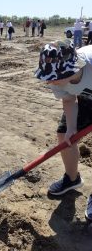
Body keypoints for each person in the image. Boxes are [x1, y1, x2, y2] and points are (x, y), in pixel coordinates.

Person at [35, 40, 92, 221]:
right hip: (86, 95)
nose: (50, 82)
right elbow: (69, 100)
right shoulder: (54, 77)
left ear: (72, 69)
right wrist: (72, 129)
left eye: (54, 77)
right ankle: (72, 178)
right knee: (64, 134)